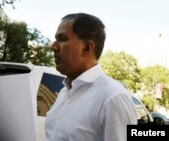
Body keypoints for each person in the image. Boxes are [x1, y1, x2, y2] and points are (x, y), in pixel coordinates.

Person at [45, 13, 137, 141]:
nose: (53, 46)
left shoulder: (113, 98)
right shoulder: (64, 92)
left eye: (63, 39)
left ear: (87, 48)